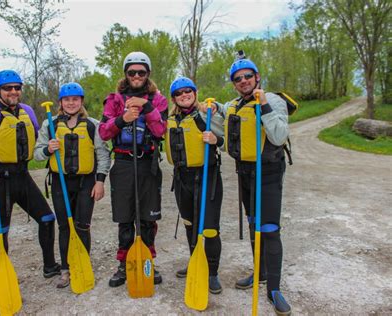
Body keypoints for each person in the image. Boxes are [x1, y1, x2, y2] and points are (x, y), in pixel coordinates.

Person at [207, 56, 291, 315]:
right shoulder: (234, 104)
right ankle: (261, 273)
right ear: (234, 84)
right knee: (254, 223)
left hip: (267, 172)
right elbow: (225, 111)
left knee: (269, 228)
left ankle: (274, 289)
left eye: (247, 76)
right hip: (244, 173)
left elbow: (278, 135)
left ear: (257, 77)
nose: (243, 81)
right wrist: (207, 105)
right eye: (238, 78)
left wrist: (264, 104)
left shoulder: (274, 101)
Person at [0, 69, 60, 278]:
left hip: (22, 177)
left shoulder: (27, 111)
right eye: (8, 88)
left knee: (47, 218)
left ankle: (50, 266)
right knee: (1, 232)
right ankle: (3, 275)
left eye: (17, 87)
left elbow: (35, 138)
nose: (13, 91)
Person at [98, 51, 168, 287]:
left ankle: (148, 261)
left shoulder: (158, 100)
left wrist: (147, 107)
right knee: (125, 217)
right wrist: (123, 118)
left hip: (148, 162)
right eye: (132, 72)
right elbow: (104, 132)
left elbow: (160, 131)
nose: (136, 76)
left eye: (141, 72)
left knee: (147, 217)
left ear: (148, 74)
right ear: (126, 74)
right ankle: (123, 264)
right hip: (124, 162)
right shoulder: (114, 100)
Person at [33, 82, 111, 288]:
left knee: (82, 226)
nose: (71, 103)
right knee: (65, 226)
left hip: (86, 183)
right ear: (60, 102)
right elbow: (37, 155)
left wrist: (100, 182)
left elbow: (103, 155)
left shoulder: (93, 124)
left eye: (75, 99)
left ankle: (82, 264)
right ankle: (66, 269)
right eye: (66, 100)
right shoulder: (49, 125)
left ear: (81, 101)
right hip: (60, 182)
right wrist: (48, 149)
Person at [165, 77, 225, 294]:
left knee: (209, 228)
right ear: (174, 98)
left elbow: (226, 141)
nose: (184, 95)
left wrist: (216, 140)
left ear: (195, 92)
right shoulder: (170, 119)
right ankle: (195, 262)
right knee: (190, 224)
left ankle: (212, 273)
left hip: (207, 177)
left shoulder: (206, 115)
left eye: (188, 91)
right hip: (182, 179)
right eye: (179, 93)